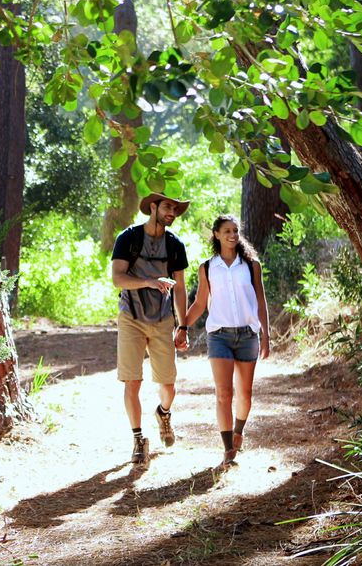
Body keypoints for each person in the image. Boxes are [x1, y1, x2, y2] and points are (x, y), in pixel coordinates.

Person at [183, 214, 270, 468]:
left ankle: (239, 430)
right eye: (227, 231)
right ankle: (228, 449)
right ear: (217, 235)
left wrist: (266, 333)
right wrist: (182, 326)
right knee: (223, 393)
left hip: (247, 336)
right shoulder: (207, 268)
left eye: (235, 231)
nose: (233, 235)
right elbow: (200, 303)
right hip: (219, 335)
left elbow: (261, 300)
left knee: (245, 393)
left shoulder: (252, 265)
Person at [111, 192, 191, 464]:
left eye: (176, 209)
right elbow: (118, 279)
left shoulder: (175, 245)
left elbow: (180, 288)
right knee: (132, 381)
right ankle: (137, 439)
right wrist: (149, 281)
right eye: (168, 207)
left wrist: (184, 325)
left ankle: (163, 414)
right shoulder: (128, 238)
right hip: (130, 317)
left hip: (163, 320)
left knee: (168, 384)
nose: (173, 212)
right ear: (153, 207)